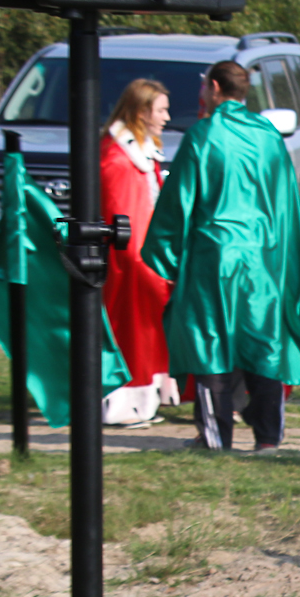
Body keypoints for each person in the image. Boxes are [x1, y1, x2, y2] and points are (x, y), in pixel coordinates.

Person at [144, 60, 300, 452]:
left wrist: (164, 254)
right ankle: (268, 437)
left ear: (214, 88)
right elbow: (286, 200)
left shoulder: (203, 135)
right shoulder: (268, 135)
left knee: (211, 343)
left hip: (213, 257)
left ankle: (216, 439)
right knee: (264, 343)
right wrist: (295, 258)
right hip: (263, 259)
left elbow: (179, 199)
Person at [100, 78, 176, 428]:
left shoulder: (140, 151)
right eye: (160, 109)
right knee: (131, 332)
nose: (166, 116)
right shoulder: (118, 158)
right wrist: (143, 263)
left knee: (148, 332)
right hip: (130, 263)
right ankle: (124, 402)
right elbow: (123, 215)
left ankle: (146, 396)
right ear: (142, 112)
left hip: (146, 258)